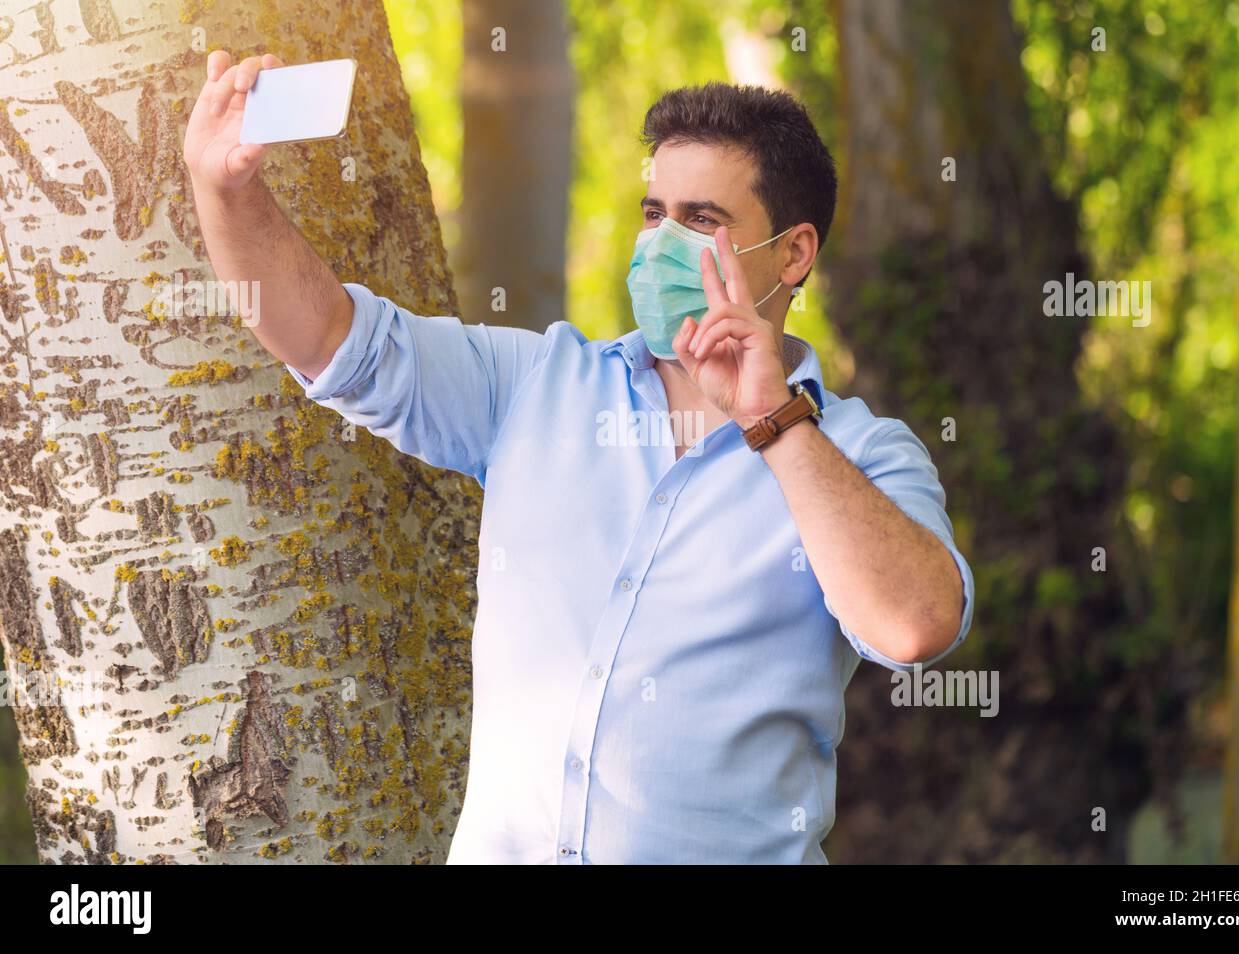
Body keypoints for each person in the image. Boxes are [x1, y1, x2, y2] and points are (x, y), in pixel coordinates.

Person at [184, 50, 974, 864]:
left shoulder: (860, 452)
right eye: (652, 213)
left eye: (700, 220)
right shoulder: (538, 383)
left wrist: (773, 418)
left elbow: (914, 626)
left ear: (794, 254)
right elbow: (330, 340)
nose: (662, 243)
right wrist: (227, 190)